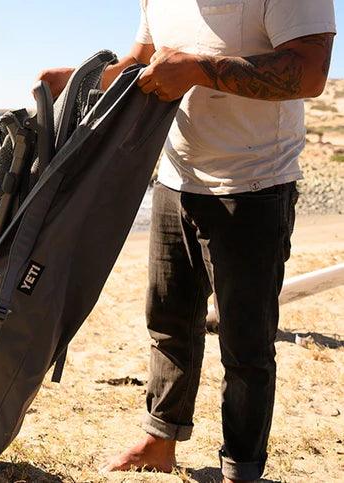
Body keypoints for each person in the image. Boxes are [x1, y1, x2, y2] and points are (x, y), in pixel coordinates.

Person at [38, 1, 336, 482]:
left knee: (246, 343)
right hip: (176, 179)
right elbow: (141, 65)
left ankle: (241, 467)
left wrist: (199, 70)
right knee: (168, 322)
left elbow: (309, 72)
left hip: (256, 186)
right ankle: (161, 440)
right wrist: (78, 81)